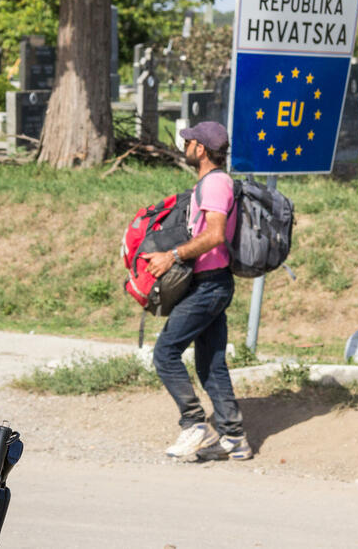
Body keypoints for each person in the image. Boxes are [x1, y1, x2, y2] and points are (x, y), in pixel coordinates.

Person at [143, 121, 251, 461]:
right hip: (211, 282)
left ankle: (194, 424)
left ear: (201, 149)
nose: (185, 146)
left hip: (210, 285)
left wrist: (172, 256)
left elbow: (215, 234)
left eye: (189, 142)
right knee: (211, 363)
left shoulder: (216, 183)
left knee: (165, 353)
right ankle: (234, 438)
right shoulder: (211, 182)